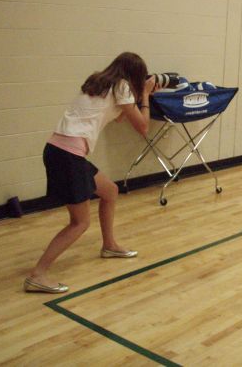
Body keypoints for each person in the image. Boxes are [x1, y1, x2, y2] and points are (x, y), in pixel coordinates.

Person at [24, 52, 157, 293]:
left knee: (110, 191)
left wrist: (138, 98)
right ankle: (37, 274)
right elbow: (143, 127)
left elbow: (117, 119)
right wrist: (145, 95)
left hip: (61, 150)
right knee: (79, 223)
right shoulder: (122, 86)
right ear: (134, 76)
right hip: (68, 155)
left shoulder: (101, 82)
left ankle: (109, 245)